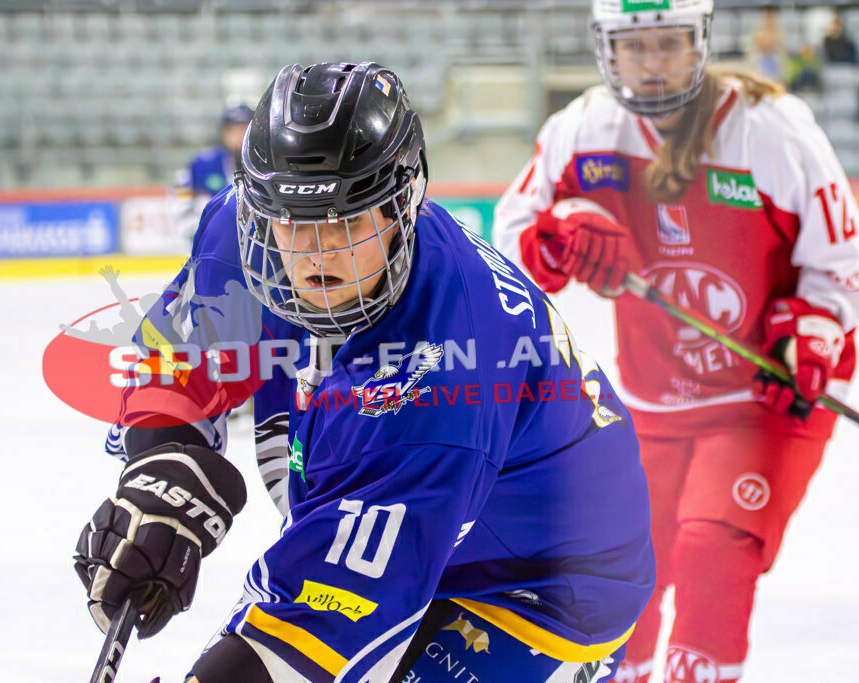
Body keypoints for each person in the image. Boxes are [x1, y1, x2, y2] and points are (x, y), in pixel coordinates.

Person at [73, 62, 655, 682]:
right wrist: (162, 464)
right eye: (294, 222)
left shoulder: (444, 368)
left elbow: (330, 613)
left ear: (403, 205)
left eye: (347, 222)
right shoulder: (246, 226)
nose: (318, 254)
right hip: (433, 508)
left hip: (543, 584)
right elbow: (178, 356)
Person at [493, 1, 859, 682]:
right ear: (607, 48)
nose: (653, 61)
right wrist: (560, 230)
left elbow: (842, 258)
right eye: (635, 45)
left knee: (711, 548)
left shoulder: (771, 131)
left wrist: (812, 327)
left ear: (700, 42)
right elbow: (511, 241)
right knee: (624, 558)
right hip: (653, 396)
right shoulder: (583, 129)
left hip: (765, 396)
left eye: (668, 42)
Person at [180, 101, 255, 203]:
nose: (238, 135)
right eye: (232, 129)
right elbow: (184, 200)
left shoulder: (264, 165)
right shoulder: (202, 163)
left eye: (243, 129)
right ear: (223, 131)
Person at [747, 6, 787, 83]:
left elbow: (781, 49)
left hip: (773, 63)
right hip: (761, 63)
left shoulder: (778, 31)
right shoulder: (758, 29)